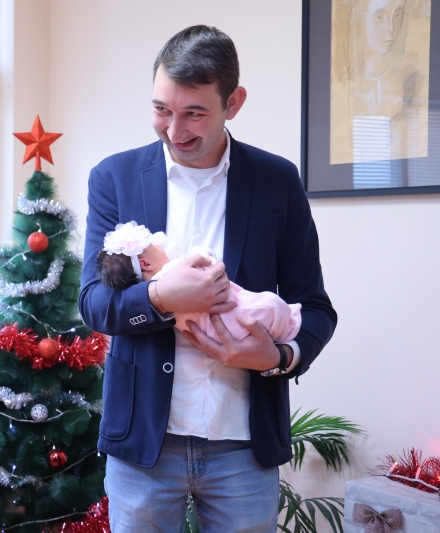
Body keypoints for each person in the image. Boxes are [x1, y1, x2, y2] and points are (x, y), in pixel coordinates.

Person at [79, 26, 337, 532]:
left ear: (233, 103)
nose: (174, 130)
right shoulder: (114, 178)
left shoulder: (277, 181)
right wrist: (160, 297)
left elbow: (315, 307)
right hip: (143, 446)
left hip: (244, 448)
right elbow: (94, 304)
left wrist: (277, 357)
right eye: (161, 109)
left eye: (194, 113)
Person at [96, 221, 301, 345]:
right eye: (153, 246)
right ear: (145, 263)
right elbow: (204, 261)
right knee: (269, 305)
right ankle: (287, 325)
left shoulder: (158, 285)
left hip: (212, 333)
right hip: (229, 318)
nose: (160, 245)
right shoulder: (171, 274)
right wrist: (201, 253)